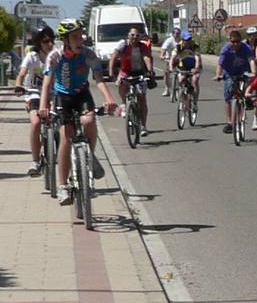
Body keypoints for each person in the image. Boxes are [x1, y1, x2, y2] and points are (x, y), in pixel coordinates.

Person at [38, 19, 119, 205]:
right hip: (62, 97)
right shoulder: (55, 57)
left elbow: (99, 79)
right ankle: (63, 186)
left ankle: (87, 158)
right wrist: (44, 106)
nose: (80, 39)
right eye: (75, 36)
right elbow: (47, 84)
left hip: (82, 94)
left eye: (81, 35)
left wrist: (109, 100)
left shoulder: (88, 54)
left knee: (89, 121)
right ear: (65, 39)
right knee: (66, 136)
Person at [15, 27, 56, 176]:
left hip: (53, 94)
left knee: (60, 122)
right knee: (36, 123)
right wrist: (18, 85)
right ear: (39, 42)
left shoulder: (56, 56)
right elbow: (21, 73)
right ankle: (35, 161)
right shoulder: (32, 56)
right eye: (46, 41)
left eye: (52, 40)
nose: (49, 43)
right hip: (33, 94)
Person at [109, 26, 155, 136]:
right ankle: (124, 104)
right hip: (126, 71)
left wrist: (150, 70)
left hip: (139, 73)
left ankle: (143, 126)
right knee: (120, 83)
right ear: (128, 35)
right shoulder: (123, 44)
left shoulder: (142, 46)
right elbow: (114, 57)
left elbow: (146, 58)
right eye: (132, 35)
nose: (134, 37)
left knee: (142, 99)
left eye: (137, 35)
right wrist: (111, 73)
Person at [215, 28, 255, 133]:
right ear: (230, 41)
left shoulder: (246, 48)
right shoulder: (225, 49)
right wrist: (218, 75)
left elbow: (251, 61)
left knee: (248, 87)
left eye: (238, 41)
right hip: (230, 73)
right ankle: (229, 122)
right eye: (233, 42)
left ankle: (247, 100)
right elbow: (220, 64)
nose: (236, 44)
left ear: (241, 40)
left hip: (244, 72)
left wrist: (254, 73)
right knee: (228, 96)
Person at [171, 31, 202, 100]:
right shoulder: (178, 47)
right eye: (186, 40)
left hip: (194, 66)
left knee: (195, 80)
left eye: (189, 39)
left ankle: (195, 102)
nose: (188, 41)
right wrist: (171, 67)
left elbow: (197, 59)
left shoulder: (195, 46)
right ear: (182, 39)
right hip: (183, 67)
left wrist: (196, 68)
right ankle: (183, 97)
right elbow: (172, 58)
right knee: (181, 79)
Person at [159, 27, 182, 97]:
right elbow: (163, 49)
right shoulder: (169, 40)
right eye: (176, 33)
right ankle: (167, 89)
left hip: (179, 60)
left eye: (178, 33)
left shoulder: (182, 41)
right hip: (169, 59)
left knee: (181, 74)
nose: (177, 35)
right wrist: (162, 55)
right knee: (166, 73)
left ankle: (179, 89)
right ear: (173, 34)